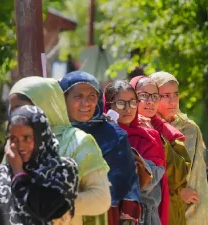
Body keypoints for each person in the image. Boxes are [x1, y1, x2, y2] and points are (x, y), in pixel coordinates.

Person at [8, 76, 111, 225]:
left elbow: (101, 198)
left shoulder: (79, 142)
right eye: (12, 108)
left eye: (20, 108)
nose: (14, 115)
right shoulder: (13, 143)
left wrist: (55, 205)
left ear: (44, 106)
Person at [59, 71, 142, 225]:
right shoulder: (53, 133)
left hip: (106, 215)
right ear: (63, 99)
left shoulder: (114, 135)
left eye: (92, 96)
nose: (86, 103)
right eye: (78, 96)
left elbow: (128, 183)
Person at [0, 105, 79, 225]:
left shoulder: (62, 170)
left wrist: (18, 173)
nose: (20, 146)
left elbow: (45, 210)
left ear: (41, 137)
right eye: (13, 138)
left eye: (27, 138)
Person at [104, 80, 169, 225]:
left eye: (133, 102)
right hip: (106, 214)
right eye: (121, 103)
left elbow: (148, 180)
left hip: (145, 218)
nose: (128, 108)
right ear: (109, 106)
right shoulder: (101, 137)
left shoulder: (149, 137)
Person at [130, 75, 191, 225]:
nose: (150, 101)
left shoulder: (169, 134)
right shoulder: (120, 129)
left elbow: (179, 176)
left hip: (168, 214)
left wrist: (157, 139)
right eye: (143, 96)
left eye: (155, 96)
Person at [150, 71, 208, 225]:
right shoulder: (148, 128)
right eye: (166, 95)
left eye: (175, 94)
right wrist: (178, 191)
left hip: (194, 205)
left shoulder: (190, 128)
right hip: (162, 206)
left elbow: (197, 172)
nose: (172, 101)